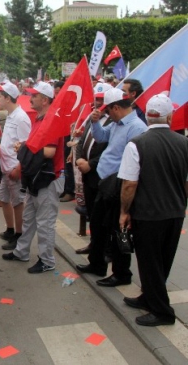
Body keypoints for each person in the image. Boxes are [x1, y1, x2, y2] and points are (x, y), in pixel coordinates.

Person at [119, 95, 188, 326]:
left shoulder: (137, 143)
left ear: (147, 116)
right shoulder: (183, 143)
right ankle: (149, 296)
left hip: (148, 213)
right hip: (175, 212)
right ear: (169, 117)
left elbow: (129, 184)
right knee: (163, 260)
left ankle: (162, 311)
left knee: (149, 262)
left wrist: (124, 211)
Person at [76, 88, 147, 286]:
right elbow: (101, 137)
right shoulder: (117, 124)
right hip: (104, 182)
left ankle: (121, 273)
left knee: (117, 230)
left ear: (116, 107)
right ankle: (96, 264)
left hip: (119, 184)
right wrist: (95, 121)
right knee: (98, 226)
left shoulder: (136, 127)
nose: (107, 114)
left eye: (108, 111)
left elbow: (134, 162)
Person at [3, 82, 64, 274]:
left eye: (34, 95)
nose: (30, 98)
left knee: (45, 222)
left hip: (48, 178)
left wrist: (25, 148)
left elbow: (49, 151)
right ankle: (22, 252)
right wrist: (25, 145)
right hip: (36, 178)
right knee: (29, 218)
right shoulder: (39, 118)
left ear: (44, 100)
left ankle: (47, 261)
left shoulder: (51, 119)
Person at [74, 83, 112, 254]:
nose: (99, 104)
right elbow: (82, 141)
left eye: (102, 101)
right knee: (91, 213)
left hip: (102, 176)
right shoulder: (92, 118)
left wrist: (91, 164)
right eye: (96, 100)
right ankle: (94, 245)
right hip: (87, 174)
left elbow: (110, 150)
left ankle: (105, 249)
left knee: (102, 216)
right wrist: (80, 159)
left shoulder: (113, 123)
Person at [0, 82, 31, 250]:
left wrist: (19, 168)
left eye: (0, 96)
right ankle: (10, 229)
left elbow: (25, 145)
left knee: (17, 203)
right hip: (6, 167)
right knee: (3, 199)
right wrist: (1, 146)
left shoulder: (21, 118)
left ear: (8, 98)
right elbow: (11, 140)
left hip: (14, 168)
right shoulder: (10, 115)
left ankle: (19, 235)